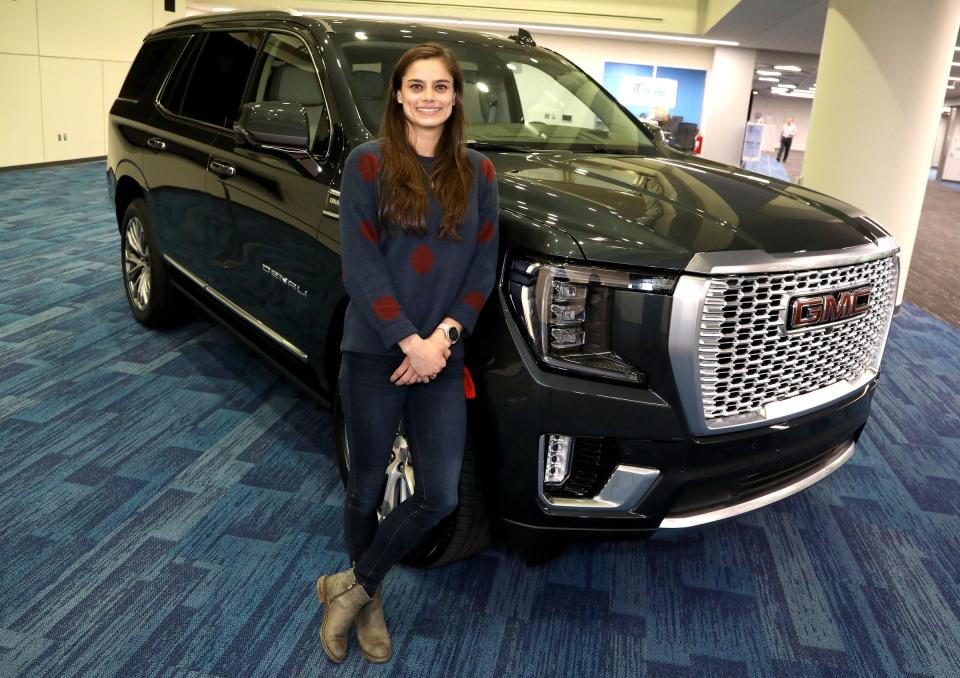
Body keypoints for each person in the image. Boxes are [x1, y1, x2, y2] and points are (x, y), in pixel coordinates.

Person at [315, 42, 499, 665]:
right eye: (416, 86)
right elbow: (361, 266)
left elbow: (482, 266)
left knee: (440, 495)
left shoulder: (479, 172)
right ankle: (371, 604)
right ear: (397, 95)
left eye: (440, 87)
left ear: (455, 97)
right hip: (375, 349)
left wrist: (441, 339)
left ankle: (352, 587)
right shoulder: (367, 164)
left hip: (442, 355)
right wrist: (407, 341)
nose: (429, 98)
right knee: (366, 483)